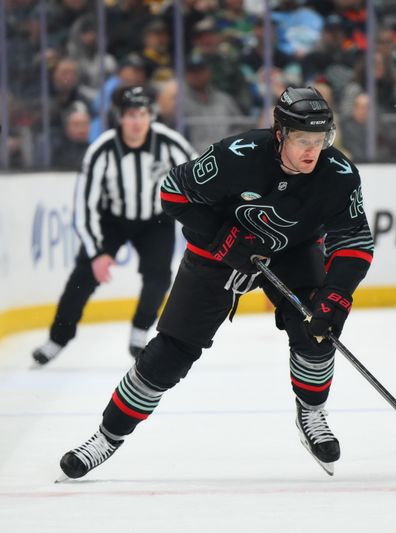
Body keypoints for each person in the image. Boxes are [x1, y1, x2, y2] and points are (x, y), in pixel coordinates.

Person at [58, 86, 375, 479]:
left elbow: (356, 243)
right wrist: (220, 236)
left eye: (320, 139)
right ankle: (106, 437)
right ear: (280, 134)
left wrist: (337, 297)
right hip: (216, 255)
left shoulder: (339, 174)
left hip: (293, 250)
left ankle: (310, 412)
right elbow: (173, 191)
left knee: (316, 328)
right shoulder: (236, 156)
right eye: (301, 140)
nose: (312, 151)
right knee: (170, 353)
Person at [32, 86, 197, 365]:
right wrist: (97, 253)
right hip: (113, 220)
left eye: (142, 114)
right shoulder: (102, 149)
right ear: (119, 117)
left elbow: (195, 177)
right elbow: (84, 205)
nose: (137, 121)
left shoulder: (170, 143)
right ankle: (57, 339)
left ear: (151, 116)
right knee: (82, 277)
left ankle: (139, 330)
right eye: (131, 114)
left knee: (158, 275)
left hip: (156, 220)